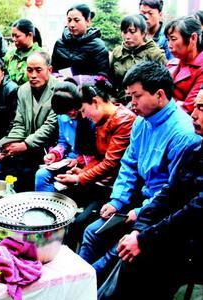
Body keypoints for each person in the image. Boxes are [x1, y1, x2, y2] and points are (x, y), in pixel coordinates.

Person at [78, 61, 201, 283]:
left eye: (137, 96)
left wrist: (141, 212)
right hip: (137, 200)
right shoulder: (141, 122)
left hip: (159, 213)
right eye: (129, 97)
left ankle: (82, 286)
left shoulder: (183, 134)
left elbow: (174, 193)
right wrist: (117, 200)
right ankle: (75, 282)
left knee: (114, 255)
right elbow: (129, 165)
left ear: (160, 95)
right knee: (91, 232)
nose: (131, 104)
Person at [110, 96, 203, 300]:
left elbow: (194, 212)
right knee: (128, 248)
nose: (194, 115)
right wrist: (139, 230)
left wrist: (145, 239)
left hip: (193, 241)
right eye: (195, 106)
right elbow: (170, 192)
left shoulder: (184, 136)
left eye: (201, 108)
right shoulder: (196, 149)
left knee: (142, 262)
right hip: (179, 230)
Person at [54, 79, 136, 250]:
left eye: (84, 110)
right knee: (60, 204)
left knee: (80, 222)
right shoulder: (103, 121)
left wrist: (79, 178)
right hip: (101, 183)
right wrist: (81, 172)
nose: (83, 116)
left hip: (116, 188)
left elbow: (110, 163)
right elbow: (99, 158)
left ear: (96, 102)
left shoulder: (124, 121)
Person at [0, 51, 58, 191]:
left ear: (49, 70)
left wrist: (25, 144)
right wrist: (10, 143)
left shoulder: (59, 90)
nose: (33, 75)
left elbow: (50, 125)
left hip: (49, 149)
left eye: (38, 70)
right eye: (29, 70)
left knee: (25, 173)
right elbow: (19, 123)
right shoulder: (23, 90)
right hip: (26, 147)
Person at [34, 81, 96, 193]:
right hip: (68, 159)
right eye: (66, 111)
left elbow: (97, 151)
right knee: (41, 175)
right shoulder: (62, 118)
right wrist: (54, 154)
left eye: (72, 108)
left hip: (88, 162)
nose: (71, 113)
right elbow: (63, 142)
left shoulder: (89, 117)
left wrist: (78, 160)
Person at [111, 14, 167, 102]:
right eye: (124, 32)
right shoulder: (117, 53)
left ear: (143, 33)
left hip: (147, 104)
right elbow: (111, 80)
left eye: (132, 32)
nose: (127, 36)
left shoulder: (155, 54)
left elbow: (163, 84)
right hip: (121, 102)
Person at [51, 4, 109, 78]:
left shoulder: (98, 47)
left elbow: (102, 77)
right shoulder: (60, 44)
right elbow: (53, 70)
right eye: (69, 20)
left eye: (76, 20)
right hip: (62, 88)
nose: (71, 24)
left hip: (87, 89)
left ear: (88, 21)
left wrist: (80, 80)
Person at [166, 16, 203, 114]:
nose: (169, 45)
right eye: (168, 39)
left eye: (173, 39)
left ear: (193, 38)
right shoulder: (171, 64)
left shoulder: (201, 68)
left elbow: (189, 107)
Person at [4, 19, 42, 86]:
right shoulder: (10, 55)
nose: (14, 39)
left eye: (17, 36)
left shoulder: (41, 55)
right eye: (12, 36)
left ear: (29, 35)